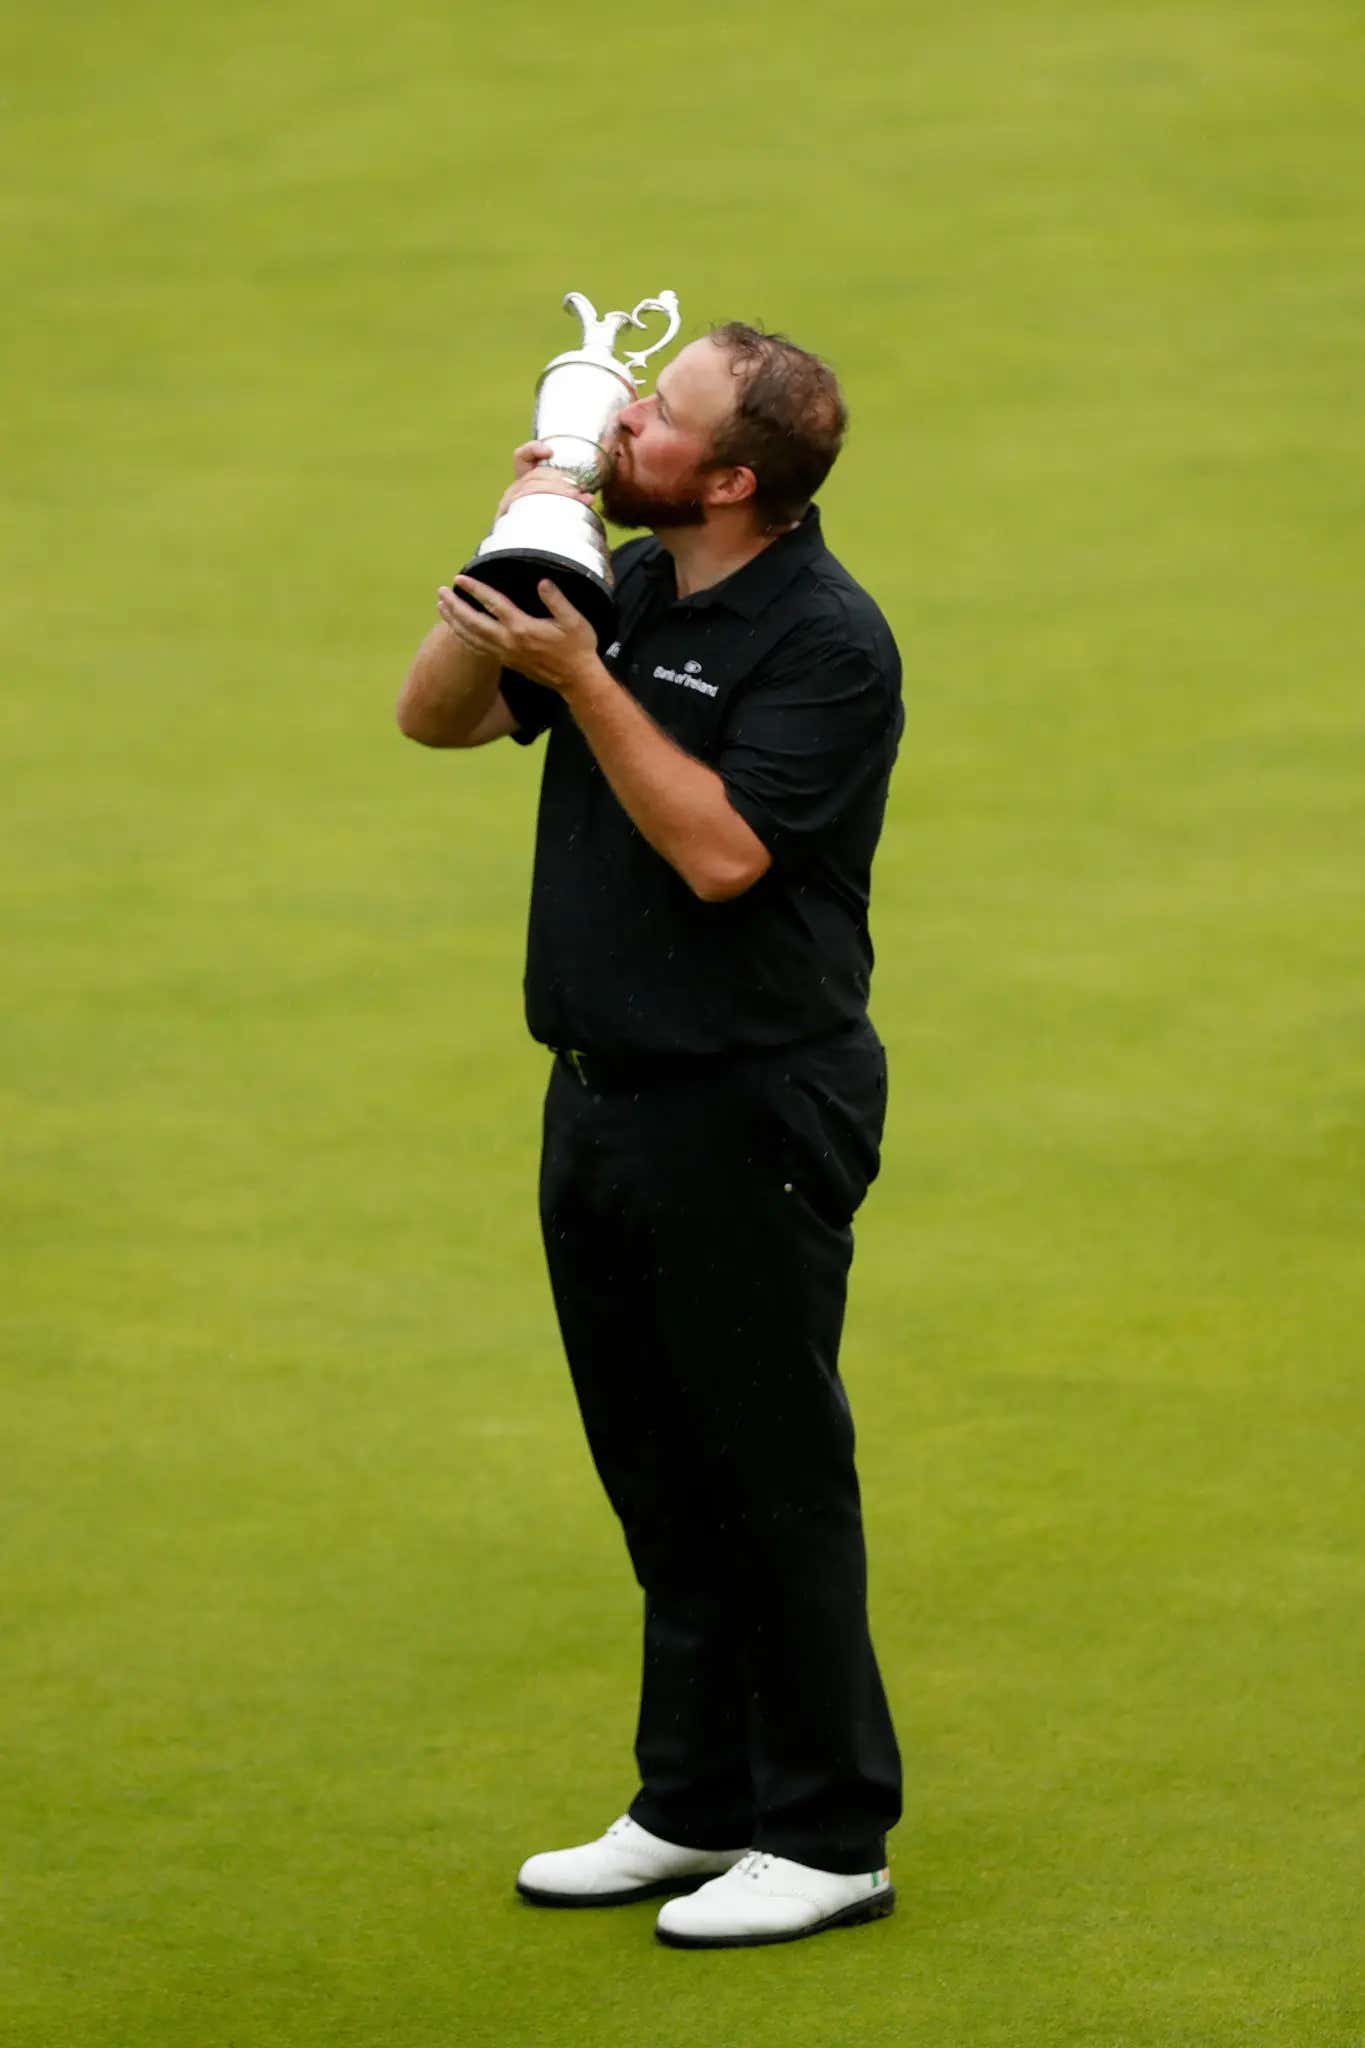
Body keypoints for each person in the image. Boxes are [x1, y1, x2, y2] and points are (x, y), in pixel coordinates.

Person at [397, 322, 904, 1949]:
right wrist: (509, 573)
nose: (621, 420)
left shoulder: (825, 638)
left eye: (657, 413)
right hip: (603, 1092)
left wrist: (586, 676)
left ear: (734, 477)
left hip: (751, 1100)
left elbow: (722, 858)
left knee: (770, 1477)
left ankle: (828, 1837)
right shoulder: (614, 572)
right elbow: (436, 722)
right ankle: (693, 1806)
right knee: (661, 1476)